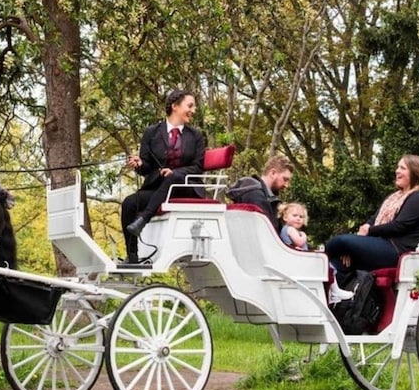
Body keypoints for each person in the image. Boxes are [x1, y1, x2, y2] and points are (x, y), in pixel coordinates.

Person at [120, 88, 206, 264]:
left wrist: (176, 173)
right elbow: (146, 167)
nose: (193, 110)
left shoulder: (195, 136)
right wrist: (140, 164)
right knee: (129, 203)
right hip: (159, 189)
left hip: (185, 188)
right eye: (190, 106)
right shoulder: (151, 133)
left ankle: (143, 220)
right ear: (175, 106)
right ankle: (133, 255)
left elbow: (197, 167)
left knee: (173, 176)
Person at [325, 154, 419, 286]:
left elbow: (399, 226)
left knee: (340, 241)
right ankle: (340, 300)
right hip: (382, 243)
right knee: (341, 260)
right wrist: (364, 230)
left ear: (415, 172)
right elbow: (373, 219)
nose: (397, 171)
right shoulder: (394, 197)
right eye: (397, 167)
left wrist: (369, 231)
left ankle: (317, 256)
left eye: (402, 168)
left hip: (397, 250)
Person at [227, 155, 294, 232]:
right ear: (273, 173)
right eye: (285, 179)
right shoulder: (256, 196)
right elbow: (265, 234)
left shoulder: (257, 193)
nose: (286, 185)